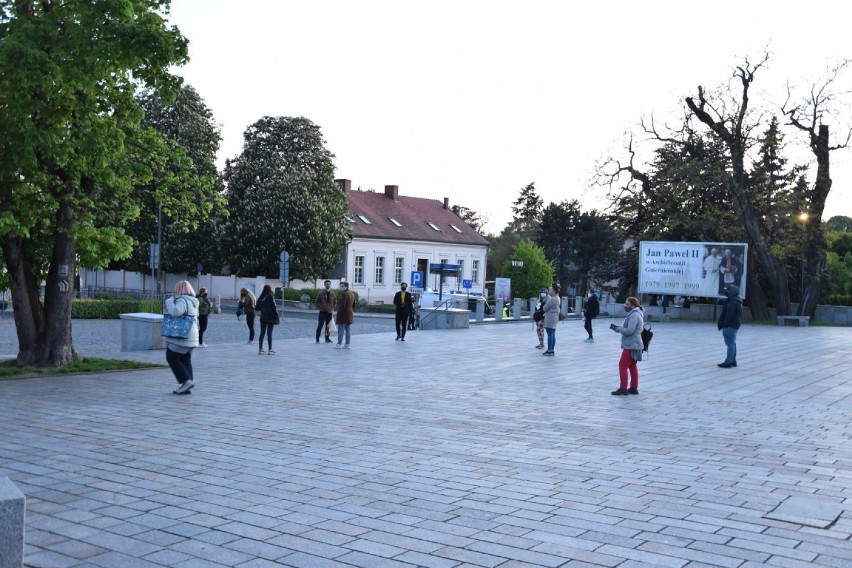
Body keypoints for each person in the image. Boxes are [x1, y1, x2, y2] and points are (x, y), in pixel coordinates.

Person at [164, 280, 200, 395]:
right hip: (193, 335)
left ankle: (186, 381)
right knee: (185, 358)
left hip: (182, 336)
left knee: (171, 357)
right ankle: (187, 384)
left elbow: (175, 312)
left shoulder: (182, 300)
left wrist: (169, 301)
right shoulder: (194, 301)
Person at [611, 296, 644, 395]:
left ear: (633, 305)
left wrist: (620, 329)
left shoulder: (634, 315)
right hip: (634, 343)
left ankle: (623, 388)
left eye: (627, 304)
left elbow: (630, 330)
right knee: (632, 366)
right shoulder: (636, 313)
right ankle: (633, 387)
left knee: (622, 366)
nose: (625, 306)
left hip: (631, 344)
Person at [717, 285, 742, 368]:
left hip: (730, 325)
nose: (727, 292)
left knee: (730, 343)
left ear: (732, 292)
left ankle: (728, 362)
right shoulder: (736, 300)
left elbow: (729, 315)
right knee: (732, 343)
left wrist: (725, 324)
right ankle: (733, 360)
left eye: (729, 291)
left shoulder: (732, 302)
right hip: (734, 325)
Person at [256, 284, 279, 355]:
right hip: (270, 317)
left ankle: (260, 349)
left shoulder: (261, 297)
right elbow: (274, 307)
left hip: (262, 316)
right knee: (269, 333)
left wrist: (262, 309)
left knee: (262, 332)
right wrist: (276, 315)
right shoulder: (271, 296)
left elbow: (256, 307)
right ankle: (270, 349)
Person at [335, 281, 355, 349]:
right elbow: (354, 305)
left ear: (346, 286)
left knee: (341, 329)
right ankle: (347, 344)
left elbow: (342, 305)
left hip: (343, 314)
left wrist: (339, 311)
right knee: (348, 330)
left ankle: (339, 344)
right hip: (349, 313)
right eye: (340, 286)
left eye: (342, 286)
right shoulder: (352, 293)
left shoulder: (344, 294)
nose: (341, 287)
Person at [541, 285, 560, 356]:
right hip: (555, 317)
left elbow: (544, 308)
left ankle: (549, 350)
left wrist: (546, 302)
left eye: (551, 289)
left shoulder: (552, 299)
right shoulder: (558, 298)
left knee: (550, 334)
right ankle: (552, 350)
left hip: (550, 317)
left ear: (554, 291)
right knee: (552, 333)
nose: (549, 290)